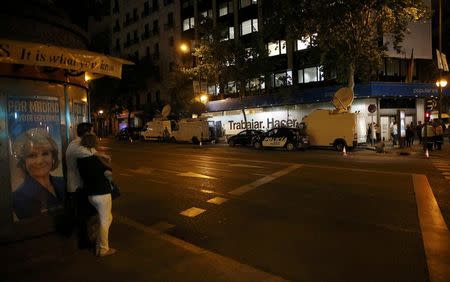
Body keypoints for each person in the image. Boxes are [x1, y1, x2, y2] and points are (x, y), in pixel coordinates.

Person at [65, 122, 104, 249]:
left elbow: (94, 152)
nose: (94, 133)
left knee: (86, 214)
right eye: (92, 131)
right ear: (87, 133)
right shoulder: (77, 145)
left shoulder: (80, 144)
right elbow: (92, 155)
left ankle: (85, 239)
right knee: (83, 216)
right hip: (77, 186)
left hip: (80, 185)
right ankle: (84, 242)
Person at [13, 128, 65, 220]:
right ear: (23, 161)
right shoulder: (17, 197)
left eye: (45, 154)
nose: (39, 161)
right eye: (32, 155)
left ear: (53, 157)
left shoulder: (62, 182)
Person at [77, 133, 116, 257]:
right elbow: (108, 173)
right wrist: (108, 163)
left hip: (91, 193)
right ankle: (104, 249)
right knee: (105, 220)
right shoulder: (97, 159)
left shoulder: (81, 160)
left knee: (106, 218)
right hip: (102, 193)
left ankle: (99, 244)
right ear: (94, 143)